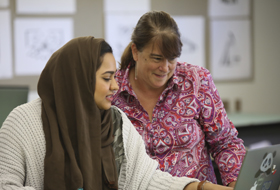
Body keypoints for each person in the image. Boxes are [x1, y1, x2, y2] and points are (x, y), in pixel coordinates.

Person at [0, 36, 233, 190]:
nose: (115, 86)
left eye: (114, 76)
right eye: (106, 78)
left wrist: (202, 187)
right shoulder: (22, 123)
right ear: (78, 79)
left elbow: (147, 180)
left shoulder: (115, 121)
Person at [112, 11, 246, 188]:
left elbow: (226, 143)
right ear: (135, 51)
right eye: (157, 58)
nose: (165, 68)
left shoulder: (196, 81)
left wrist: (238, 185)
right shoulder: (112, 89)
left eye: (172, 59)